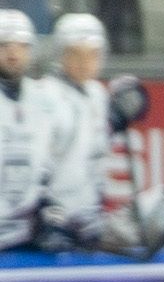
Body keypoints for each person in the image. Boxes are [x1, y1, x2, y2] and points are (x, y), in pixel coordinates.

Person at [0, 9, 95, 252]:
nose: (13, 53)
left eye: (21, 46)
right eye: (4, 45)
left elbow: (59, 165)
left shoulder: (45, 99)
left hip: (27, 233)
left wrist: (54, 210)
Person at [40, 13, 115, 243]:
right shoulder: (44, 94)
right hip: (53, 218)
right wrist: (45, 212)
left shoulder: (98, 94)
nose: (84, 63)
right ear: (59, 53)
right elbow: (38, 163)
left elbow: (98, 157)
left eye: (92, 54)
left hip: (88, 217)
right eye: (75, 53)